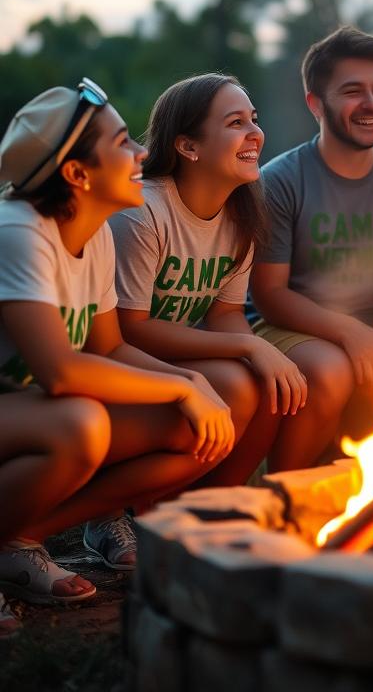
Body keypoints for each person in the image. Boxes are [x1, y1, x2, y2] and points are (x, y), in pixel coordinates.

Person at [0, 81, 233, 634]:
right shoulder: (18, 232)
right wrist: (181, 387)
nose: (143, 155)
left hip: (23, 416)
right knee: (80, 423)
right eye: (125, 143)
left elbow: (109, 348)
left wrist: (194, 384)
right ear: (78, 175)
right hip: (31, 414)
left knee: (194, 428)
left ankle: (19, 543)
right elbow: (60, 372)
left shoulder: (94, 231)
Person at [249, 26, 373, 469]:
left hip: (368, 321)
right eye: (353, 91)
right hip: (283, 325)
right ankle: (283, 492)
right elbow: (270, 296)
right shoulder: (280, 180)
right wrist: (351, 333)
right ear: (316, 104)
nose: (371, 104)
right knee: (332, 371)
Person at [109, 74, 307, 488]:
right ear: (188, 146)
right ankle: (121, 512)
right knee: (239, 382)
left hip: (170, 357)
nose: (256, 133)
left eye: (254, 119)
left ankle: (218, 507)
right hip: (117, 364)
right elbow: (129, 329)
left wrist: (262, 357)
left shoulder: (241, 218)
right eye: (236, 123)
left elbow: (225, 313)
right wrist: (250, 344)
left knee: (266, 387)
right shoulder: (143, 212)